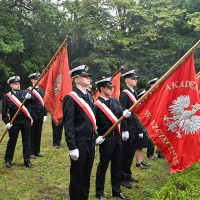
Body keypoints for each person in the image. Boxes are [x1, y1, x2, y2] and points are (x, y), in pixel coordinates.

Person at [63, 65, 103, 200]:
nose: (88, 78)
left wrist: (96, 136)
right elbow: (68, 124)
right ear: (76, 80)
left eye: (88, 76)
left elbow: (90, 121)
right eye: (84, 76)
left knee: (86, 175)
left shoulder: (90, 97)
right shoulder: (71, 97)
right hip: (79, 142)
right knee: (77, 176)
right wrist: (72, 147)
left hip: (90, 141)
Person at [95, 77, 131, 200]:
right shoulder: (96, 106)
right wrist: (96, 137)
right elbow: (90, 124)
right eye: (109, 87)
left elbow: (121, 117)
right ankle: (99, 193)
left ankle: (116, 190)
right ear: (102, 88)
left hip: (117, 139)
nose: (112, 89)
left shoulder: (115, 101)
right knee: (103, 166)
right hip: (105, 140)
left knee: (117, 165)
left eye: (112, 87)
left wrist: (125, 127)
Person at [2, 76, 33, 168]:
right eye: (15, 84)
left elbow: (31, 105)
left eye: (18, 84)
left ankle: (27, 161)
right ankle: (8, 160)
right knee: (12, 141)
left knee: (26, 141)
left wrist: (29, 98)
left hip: (25, 121)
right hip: (14, 122)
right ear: (11, 85)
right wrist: (7, 122)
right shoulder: (7, 97)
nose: (18, 85)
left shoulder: (25, 93)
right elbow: (4, 112)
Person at [119, 70, 141, 189]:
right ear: (127, 80)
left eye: (135, 78)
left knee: (131, 153)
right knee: (125, 154)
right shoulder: (124, 94)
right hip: (128, 128)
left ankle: (128, 174)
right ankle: (122, 178)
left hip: (135, 127)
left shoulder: (135, 93)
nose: (135, 80)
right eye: (133, 78)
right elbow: (122, 113)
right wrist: (124, 129)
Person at [28, 73, 47, 159]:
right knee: (32, 134)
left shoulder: (41, 90)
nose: (38, 80)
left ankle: (37, 151)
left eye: (38, 79)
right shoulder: (28, 90)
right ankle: (31, 152)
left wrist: (45, 114)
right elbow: (27, 105)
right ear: (32, 80)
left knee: (38, 134)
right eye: (36, 79)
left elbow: (43, 103)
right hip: (32, 115)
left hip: (40, 115)